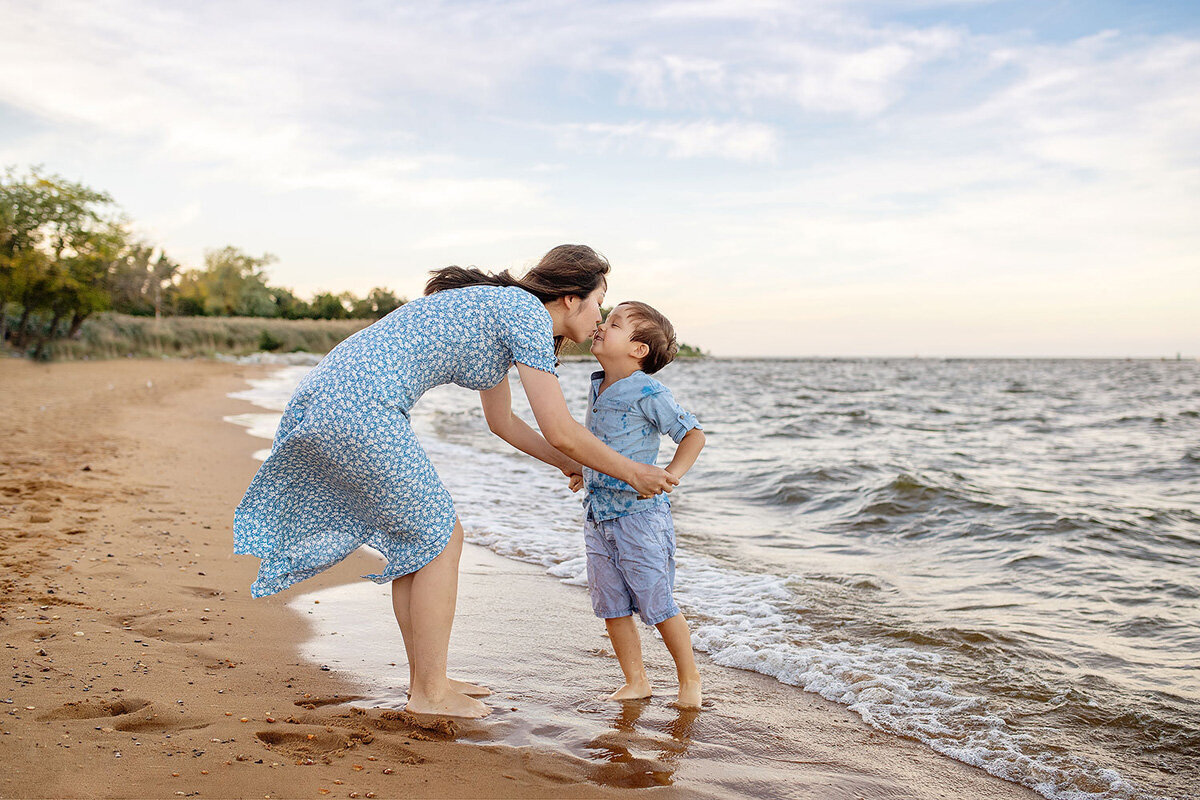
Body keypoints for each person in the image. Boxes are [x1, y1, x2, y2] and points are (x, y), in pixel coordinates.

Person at [233, 245, 679, 719]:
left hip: (335, 398)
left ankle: (429, 680)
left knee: (420, 543)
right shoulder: (524, 311)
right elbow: (561, 429)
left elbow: (503, 422)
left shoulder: (505, 311)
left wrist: (575, 467)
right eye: (598, 303)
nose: (599, 318)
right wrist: (631, 471)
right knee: (442, 539)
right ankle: (429, 693)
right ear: (571, 298)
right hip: (360, 406)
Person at [577, 300, 706, 709]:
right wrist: (584, 469)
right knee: (610, 603)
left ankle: (690, 680)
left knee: (657, 602)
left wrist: (672, 475)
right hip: (598, 515)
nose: (601, 325)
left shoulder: (649, 391)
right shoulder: (598, 385)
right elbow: (596, 443)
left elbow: (693, 434)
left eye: (613, 323)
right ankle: (636, 680)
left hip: (639, 518)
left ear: (638, 350)